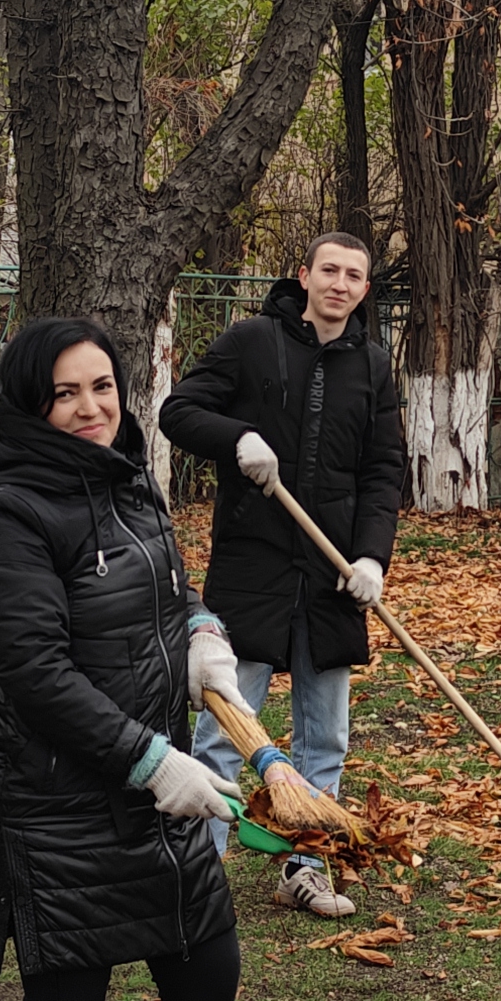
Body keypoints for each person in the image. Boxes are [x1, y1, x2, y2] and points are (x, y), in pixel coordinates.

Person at [0, 314, 287, 1001]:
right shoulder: (7, 515)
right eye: (67, 392)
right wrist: (150, 761)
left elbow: (167, 589)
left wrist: (201, 638)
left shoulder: (127, 477)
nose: (92, 407)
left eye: (102, 386)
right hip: (59, 800)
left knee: (206, 966)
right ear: (29, 404)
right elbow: (35, 672)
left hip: (153, 788)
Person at [159, 229, 408, 917]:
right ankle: (197, 866)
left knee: (324, 734)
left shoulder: (374, 367)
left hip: (330, 578)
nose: (339, 284)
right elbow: (178, 411)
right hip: (253, 568)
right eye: (329, 269)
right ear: (304, 275)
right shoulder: (252, 343)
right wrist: (236, 437)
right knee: (224, 729)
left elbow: (384, 471)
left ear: (363, 290)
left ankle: (306, 866)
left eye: (354, 276)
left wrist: (370, 558)